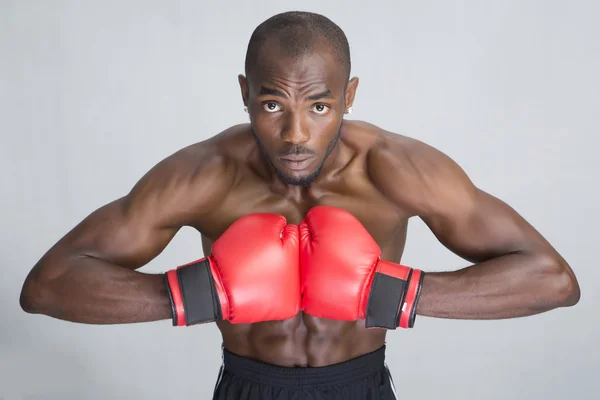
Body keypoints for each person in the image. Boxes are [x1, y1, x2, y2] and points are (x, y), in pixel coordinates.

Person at [19, 11, 580, 400]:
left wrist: (396, 293)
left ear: (349, 97)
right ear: (244, 93)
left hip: (359, 387)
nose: (295, 134)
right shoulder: (204, 175)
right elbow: (47, 287)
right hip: (247, 388)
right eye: (271, 103)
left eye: (319, 105)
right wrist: (197, 294)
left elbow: (552, 280)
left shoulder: (394, 169)